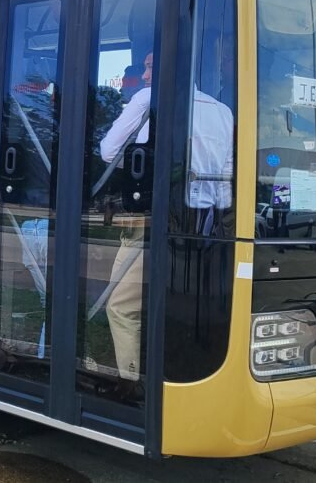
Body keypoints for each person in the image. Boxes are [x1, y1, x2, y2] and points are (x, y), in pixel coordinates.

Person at [97, 50, 233, 385]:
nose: (144, 77)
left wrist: (147, 172)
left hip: (152, 223)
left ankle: (129, 383)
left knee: (121, 306)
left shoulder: (147, 100)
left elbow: (109, 150)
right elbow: (227, 179)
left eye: (149, 68)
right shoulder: (223, 112)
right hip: (204, 226)